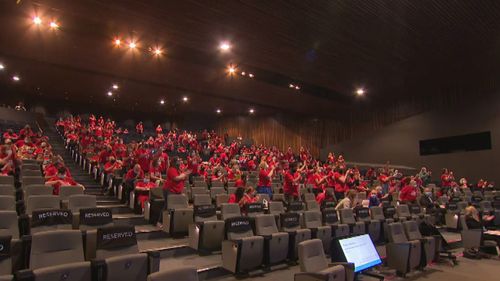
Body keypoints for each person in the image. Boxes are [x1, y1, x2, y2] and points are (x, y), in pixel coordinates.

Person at [157, 157, 191, 228]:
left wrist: (184, 175)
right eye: (178, 161)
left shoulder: (179, 170)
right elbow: (176, 178)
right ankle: (159, 222)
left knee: (176, 207)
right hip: (169, 190)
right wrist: (184, 175)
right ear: (174, 163)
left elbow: (184, 177)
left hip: (177, 190)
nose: (179, 162)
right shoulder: (171, 169)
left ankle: (173, 223)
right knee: (167, 206)